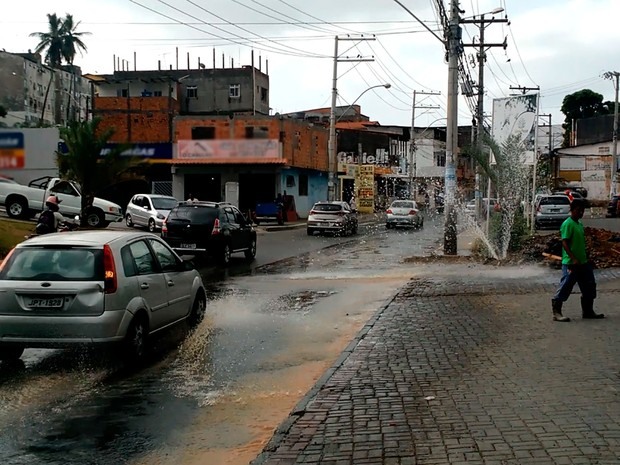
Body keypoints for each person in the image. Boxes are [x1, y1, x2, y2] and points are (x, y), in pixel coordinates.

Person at [551, 198, 604, 322]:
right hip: (571, 263)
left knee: (589, 285)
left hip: (583, 263)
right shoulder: (568, 224)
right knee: (566, 285)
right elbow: (565, 243)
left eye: (582, 211)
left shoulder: (579, 224)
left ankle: (588, 311)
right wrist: (573, 258)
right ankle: (557, 312)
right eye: (578, 210)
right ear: (572, 210)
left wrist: (587, 256)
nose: (580, 213)